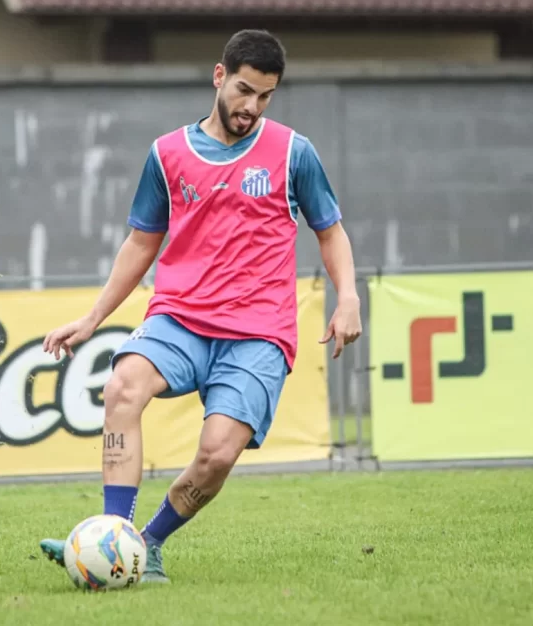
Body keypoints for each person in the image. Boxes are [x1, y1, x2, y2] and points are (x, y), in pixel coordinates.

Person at [38, 29, 362, 584]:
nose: (251, 107)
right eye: (243, 90)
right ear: (219, 76)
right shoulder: (167, 154)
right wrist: (94, 318)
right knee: (121, 389)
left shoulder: (293, 152)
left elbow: (329, 231)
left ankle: (148, 543)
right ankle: (113, 539)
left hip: (259, 333)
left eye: (265, 96)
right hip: (179, 318)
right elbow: (142, 242)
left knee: (216, 456)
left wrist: (348, 297)